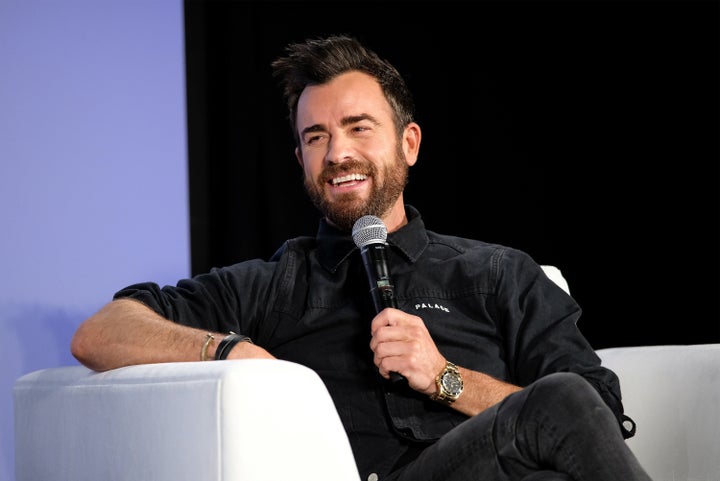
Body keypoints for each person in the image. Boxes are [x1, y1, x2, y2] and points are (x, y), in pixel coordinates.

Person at [71, 34, 653, 481]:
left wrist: (445, 378)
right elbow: (102, 331)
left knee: (561, 406)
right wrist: (229, 349)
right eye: (316, 137)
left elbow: (592, 411)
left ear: (409, 143)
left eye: (358, 127)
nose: (338, 152)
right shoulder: (274, 284)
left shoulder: (497, 273)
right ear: (299, 158)